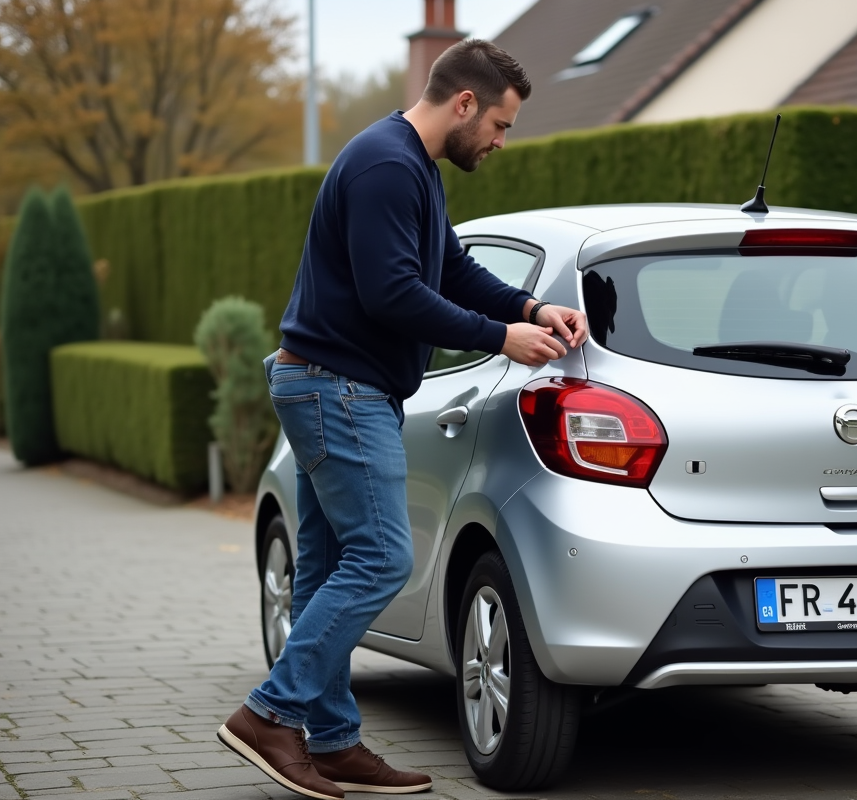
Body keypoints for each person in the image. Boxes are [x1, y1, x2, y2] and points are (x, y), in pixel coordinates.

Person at [217, 39, 588, 800]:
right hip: (339, 389)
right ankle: (269, 714)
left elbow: (446, 267)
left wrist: (527, 305)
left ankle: (332, 739)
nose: (500, 141)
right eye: (501, 125)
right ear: (463, 104)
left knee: (324, 567)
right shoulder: (387, 165)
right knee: (385, 557)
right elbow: (393, 295)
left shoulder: (410, 166)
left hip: (334, 386)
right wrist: (501, 339)